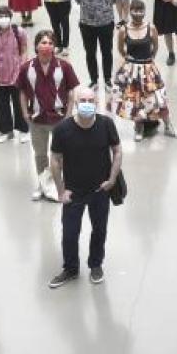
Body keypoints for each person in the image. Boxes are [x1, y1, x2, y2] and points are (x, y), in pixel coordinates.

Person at [48, 87, 123, 288]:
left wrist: (112, 178)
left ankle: (96, 264)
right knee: (70, 233)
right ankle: (71, 269)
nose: (87, 104)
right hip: (74, 192)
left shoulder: (106, 124)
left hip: (100, 190)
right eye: (83, 100)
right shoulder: (62, 129)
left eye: (91, 100)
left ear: (96, 104)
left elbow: (117, 151)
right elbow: (55, 160)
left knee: (99, 230)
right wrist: (61, 190)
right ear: (76, 103)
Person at [18, 30, 81, 201]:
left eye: (50, 43)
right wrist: (24, 113)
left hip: (59, 119)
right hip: (37, 119)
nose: (46, 46)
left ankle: (60, 183)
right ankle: (42, 184)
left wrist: (68, 116)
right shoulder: (26, 68)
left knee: (60, 154)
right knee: (40, 154)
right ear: (36, 46)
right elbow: (23, 92)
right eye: (43, 42)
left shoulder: (64, 66)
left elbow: (70, 92)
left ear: (54, 47)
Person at [113, 0, 177, 141]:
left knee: (159, 98)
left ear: (145, 11)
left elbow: (155, 48)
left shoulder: (151, 28)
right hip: (131, 70)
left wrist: (148, 63)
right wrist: (131, 62)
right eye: (135, 10)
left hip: (148, 68)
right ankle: (139, 127)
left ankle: (169, 126)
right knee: (136, 100)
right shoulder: (123, 29)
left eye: (141, 10)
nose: (138, 13)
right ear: (130, 11)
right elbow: (121, 49)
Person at [72, 0, 119, 90]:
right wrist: (89, 7)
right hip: (87, 22)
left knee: (107, 52)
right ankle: (93, 80)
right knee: (90, 53)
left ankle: (107, 79)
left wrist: (103, 8)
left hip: (106, 21)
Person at [0, 6, 29, 143]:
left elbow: (24, 50)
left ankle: (23, 130)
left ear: (10, 17)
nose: (3, 18)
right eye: (0, 16)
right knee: (1, 104)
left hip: (16, 73)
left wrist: (23, 69)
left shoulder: (18, 31)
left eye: (6, 15)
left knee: (19, 102)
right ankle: (5, 131)